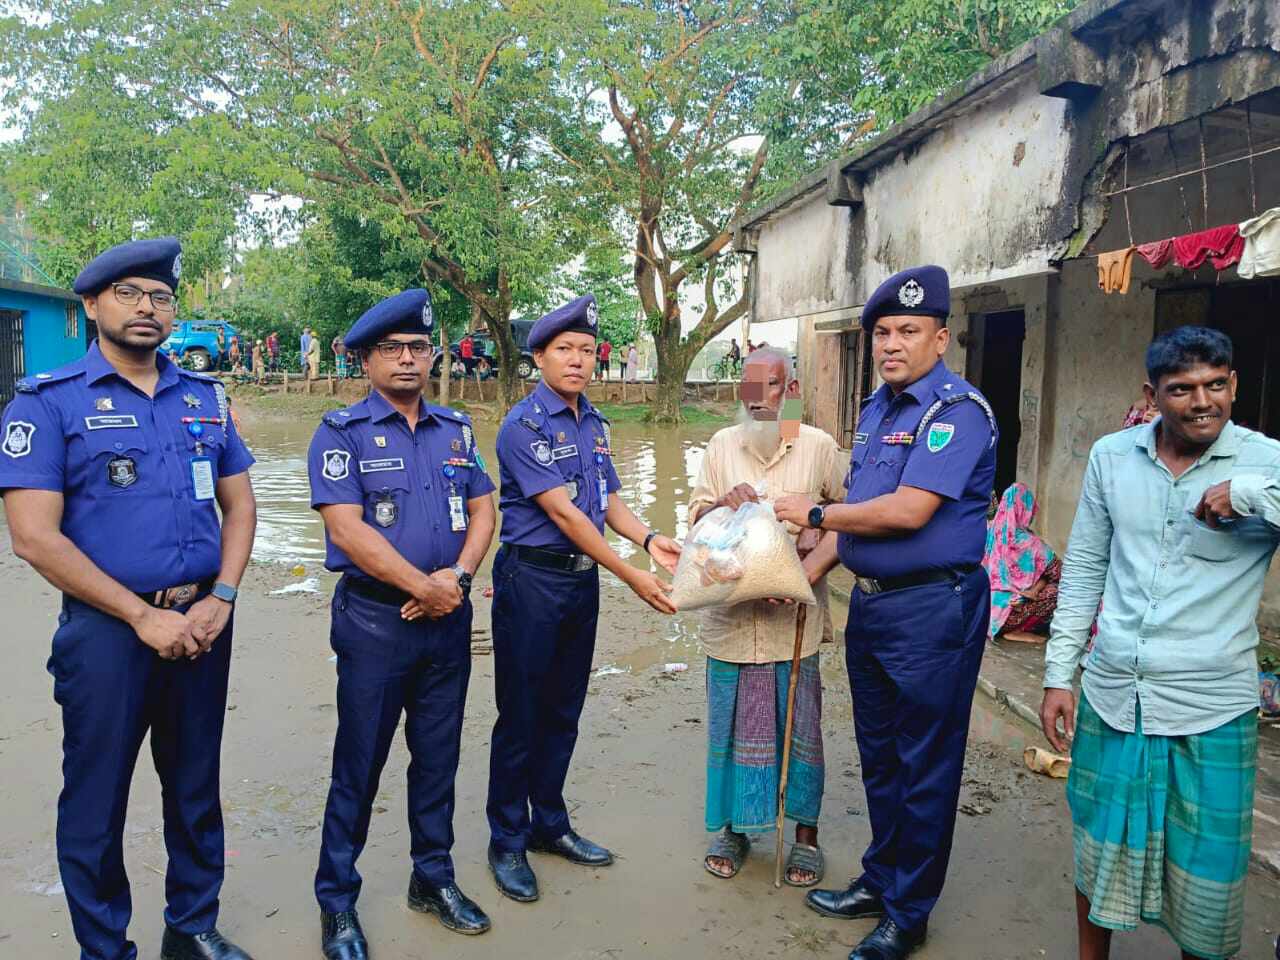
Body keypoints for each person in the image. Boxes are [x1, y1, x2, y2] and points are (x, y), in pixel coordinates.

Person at [0, 237, 258, 960]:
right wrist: (142, 616)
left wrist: (224, 598)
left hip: (205, 621)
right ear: (91, 305)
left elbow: (240, 508)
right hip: (109, 634)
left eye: (162, 297)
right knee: (96, 797)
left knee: (195, 783)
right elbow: (33, 538)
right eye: (129, 294)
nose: (148, 308)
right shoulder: (47, 404)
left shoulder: (204, 398)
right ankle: (105, 949)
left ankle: (193, 926)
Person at [775, 265, 996, 960]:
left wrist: (813, 510)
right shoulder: (878, 411)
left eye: (907, 330)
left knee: (924, 760)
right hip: (873, 610)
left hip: (934, 611)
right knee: (880, 757)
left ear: (941, 338)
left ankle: (909, 911)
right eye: (882, 333)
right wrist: (802, 575)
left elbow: (908, 512)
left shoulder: (954, 413)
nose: (892, 344)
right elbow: (855, 528)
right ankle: (881, 878)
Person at [1040, 326, 1280, 960]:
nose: (1203, 402)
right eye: (1182, 390)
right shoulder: (1112, 457)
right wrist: (1059, 674)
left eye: (1216, 385)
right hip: (1115, 693)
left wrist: (1249, 495)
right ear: (1152, 395)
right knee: (1097, 845)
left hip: (1212, 707)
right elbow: (1086, 568)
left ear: (1232, 384)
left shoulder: (1265, 461)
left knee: (1208, 873)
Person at [307, 289, 498, 960]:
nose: (410, 358)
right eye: (393, 348)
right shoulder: (341, 434)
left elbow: (483, 509)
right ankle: (336, 902)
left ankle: (433, 878)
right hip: (377, 623)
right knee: (358, 765)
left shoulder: (455, 429)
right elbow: (345, 528)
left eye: (419, 347)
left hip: (448, 620)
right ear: (366, 359)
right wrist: (422, 585)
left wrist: (460, 579)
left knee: (438, 760)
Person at [487, 293, 682, 904]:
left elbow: (606, 504)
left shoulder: (593, 422)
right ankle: (507, 840)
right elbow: (566, 516)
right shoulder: (524, 426)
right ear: (539, 357)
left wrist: (651, 538)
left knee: (563, 710)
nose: (577, 360)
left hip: (578, 584)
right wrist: (632, 575)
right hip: (532, 581)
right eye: (564, 350)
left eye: (587, 351)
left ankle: (549, 824)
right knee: (520, 714)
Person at [689, 348, 846, 887]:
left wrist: (805, 561)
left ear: (792, 387)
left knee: (801, 731)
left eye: (772, 386)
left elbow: (847, 521)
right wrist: (719, 507)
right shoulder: (720, 446)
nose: (759, 399)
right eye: (750, 387)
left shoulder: (820, 447)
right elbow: (696, 526)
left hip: (793, 627)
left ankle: (805, 835)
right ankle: (733, 828)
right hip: (732, 625)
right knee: (731, 730)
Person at [983, 482, 1060, 643]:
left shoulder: (989, 533)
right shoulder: (1030, 543)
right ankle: (1018, 631)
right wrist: (1037, 586)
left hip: (983, 615)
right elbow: (1059, 573)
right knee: (1059, 590)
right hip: (1010, 615)